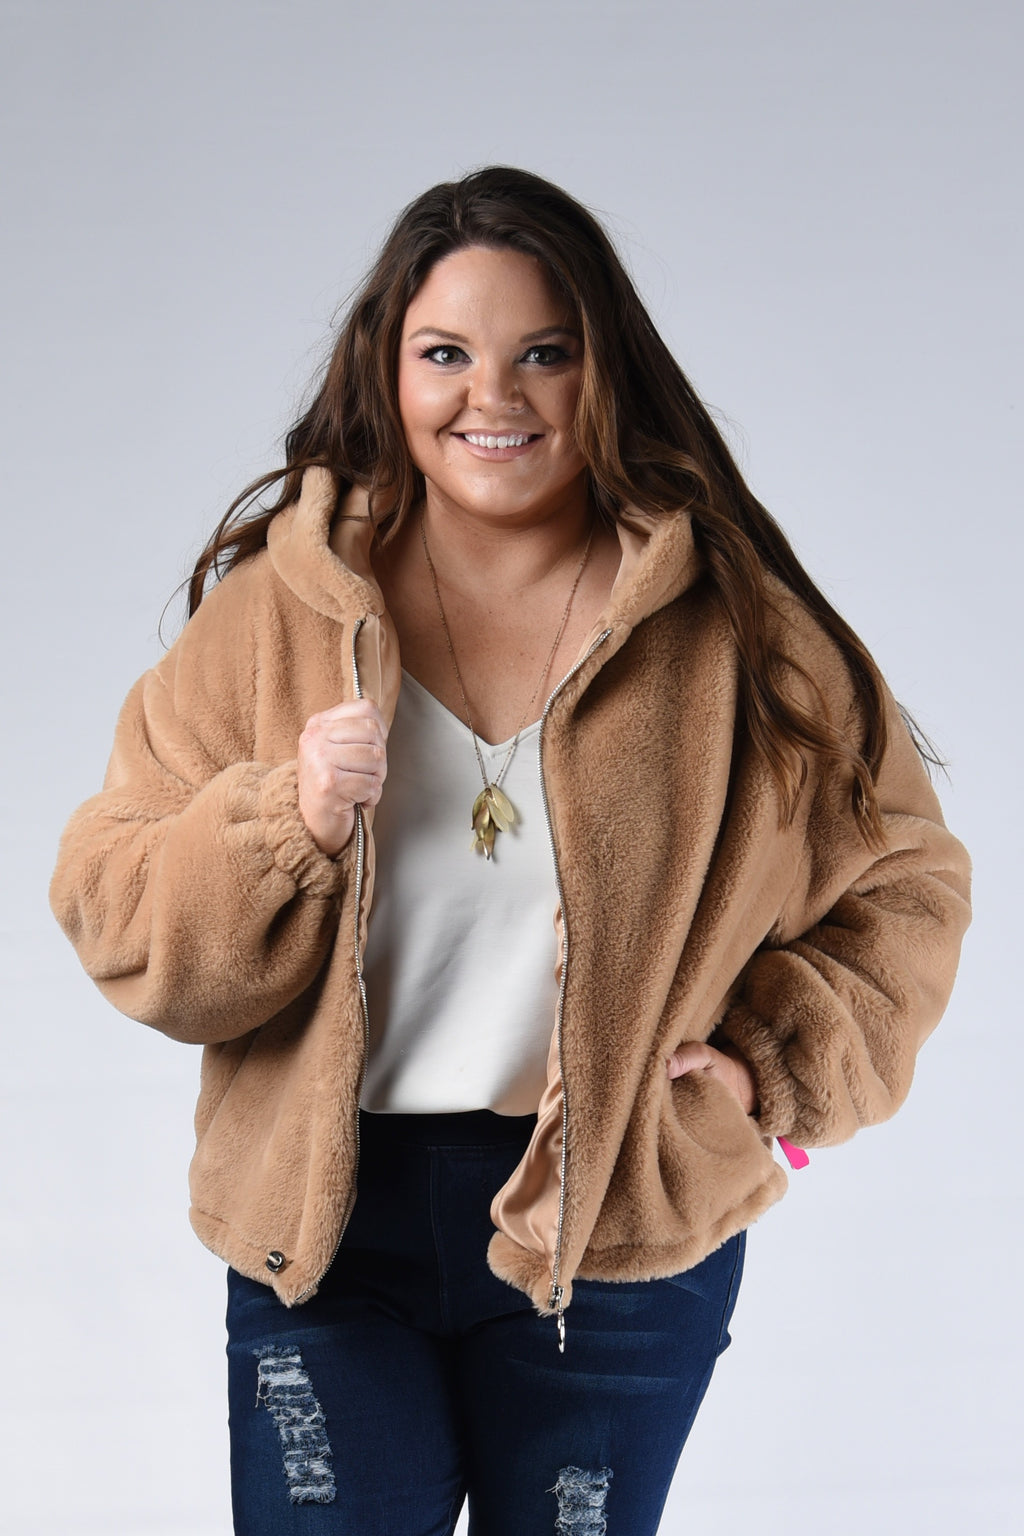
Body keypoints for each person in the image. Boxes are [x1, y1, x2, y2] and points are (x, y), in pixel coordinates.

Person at [50, 166, 971, 1535]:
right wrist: (282, 825)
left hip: (616, 1226)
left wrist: (771, 1063)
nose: (495, 396)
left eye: (545, 352)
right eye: (446, 354)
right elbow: (114, 904)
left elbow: (904, 882)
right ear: (389, 370)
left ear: (605, 370)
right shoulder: (274, 620)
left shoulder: (732, 630)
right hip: (325, 1229)